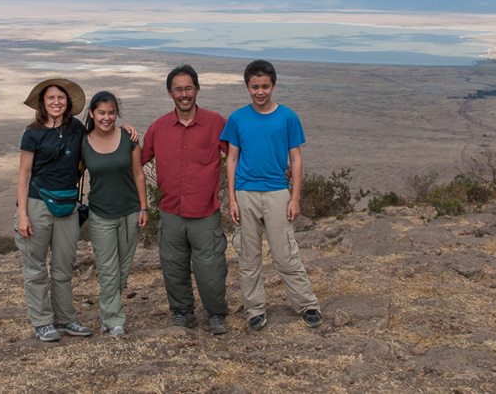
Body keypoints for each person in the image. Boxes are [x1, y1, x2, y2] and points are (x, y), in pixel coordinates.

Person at [221, 59, 322, 331]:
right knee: (248, 256)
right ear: (247, 87)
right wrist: (231, 198)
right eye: (254, 87)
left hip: (278, 191)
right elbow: (231, 159)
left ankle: (306, 304)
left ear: (273, 86)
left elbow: (296, 158)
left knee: (285, 253)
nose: (260, 92)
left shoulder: (287, 117)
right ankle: (255, 309)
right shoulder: (238, 118)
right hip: (245, 193)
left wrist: (295, 196)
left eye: (265, 86)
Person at [141, 64, 229, 335]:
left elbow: (238, 157)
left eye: (188, 88)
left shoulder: (216, 123)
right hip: (170, 213)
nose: (184, 94)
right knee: (173, 266)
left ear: (197, 90)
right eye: (178, 89)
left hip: (205, 213)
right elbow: (137, 161)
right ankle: (182, 313)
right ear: (170, 93)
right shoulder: (158, 128)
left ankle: (216, 314)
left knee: (211, 269)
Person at [15, 78, 93, 342]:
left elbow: (102, 134)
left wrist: (126, 129)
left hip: (67, 205)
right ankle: (42, 322)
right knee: (35, 267)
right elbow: (24, 174)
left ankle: (65, 319)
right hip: (37, 203)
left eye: (61, 98)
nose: (57, 102)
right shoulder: (32, 133)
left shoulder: (77, 128)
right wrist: (23, 214)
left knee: (63, 267)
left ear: (68, 102)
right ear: (43, 103)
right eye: (51, 98)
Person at [82, 91, 147, 337]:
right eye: (101, 113)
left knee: (123, 268)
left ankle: (109, 309)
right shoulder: (83, 142)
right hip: (100, 215)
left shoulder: (129, 138)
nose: (106, 118)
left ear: (116, 114)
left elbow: (139, 173)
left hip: (130, 211)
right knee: (108, 269)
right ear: (92, 114)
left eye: (111, 113)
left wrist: (144, 207)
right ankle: (114, 319)